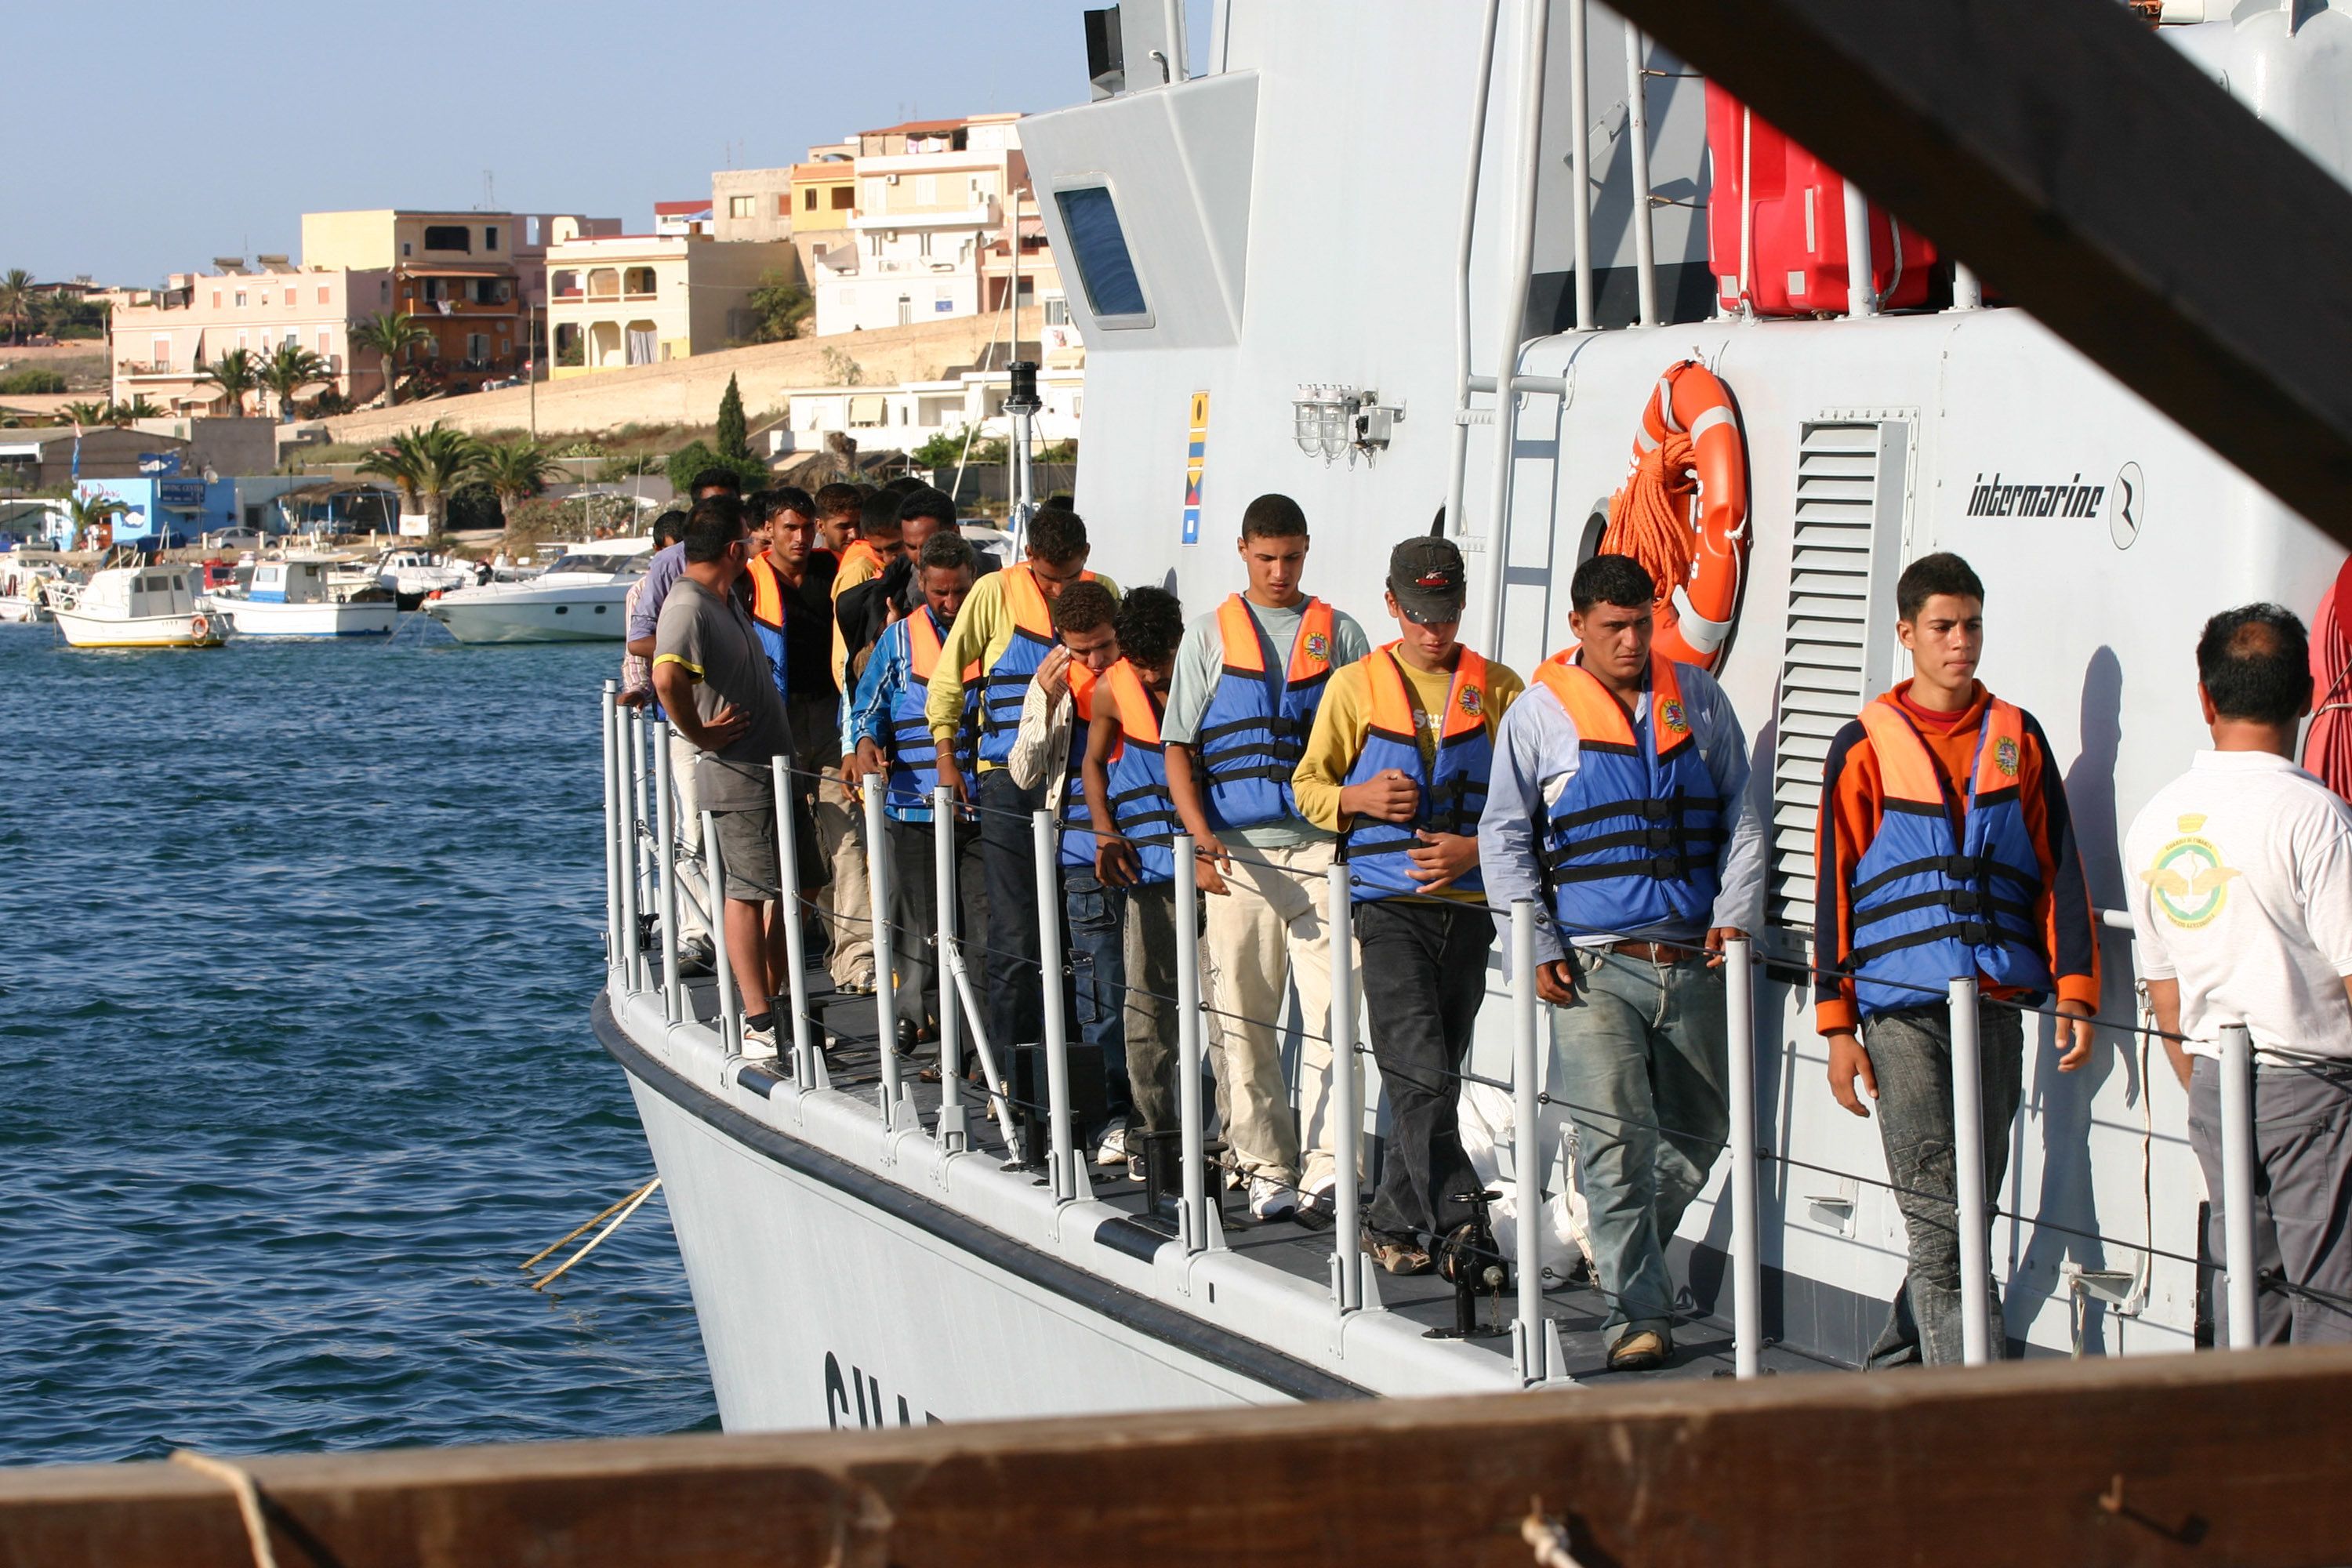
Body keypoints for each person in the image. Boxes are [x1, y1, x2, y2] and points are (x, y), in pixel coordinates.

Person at [1479, 553, 1765, 1370]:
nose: (1633, 640)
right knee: (1613, 1141)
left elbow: (1742, 816)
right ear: (1578, 626)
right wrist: (1533, 943)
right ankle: (1637, 1317)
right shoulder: (1537, 717)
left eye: (1643, 623)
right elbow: (1504, 836)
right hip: (1594, 969)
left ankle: (1614, 1237)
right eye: (1615, 627)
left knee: (1704, 1127)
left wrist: (1735, 915)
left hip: (1694, 958)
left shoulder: (1700, 701)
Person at [1815, 550, 2098, 1368]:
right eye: (1943, 626)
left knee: (1972, 1207)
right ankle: (1974, 1411)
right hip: (1900, 1010)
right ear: (1906, 633)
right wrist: (1838, 1025)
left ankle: (1891, 1371)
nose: (1961, 642)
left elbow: (2062, 870)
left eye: (1972, 625)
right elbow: (1835, 888)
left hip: (1998, 1003)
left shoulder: (2019, 737)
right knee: (1944, 1224)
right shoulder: (1864, 745)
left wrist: (2076, 987)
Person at [1294, 538, 1523, 1273]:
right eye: (1421, 614)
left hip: (1469, 909)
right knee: (1422, 1074)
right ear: (1392, 604)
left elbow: (1529, 808)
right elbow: (1308, 788)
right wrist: (1356, 798)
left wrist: (1474, 852)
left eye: (1448, 613)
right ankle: (1464, 1229)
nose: (1436, 630)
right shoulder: (1355, 686)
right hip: (1389, 909)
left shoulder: (1500, 690)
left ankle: (1390, 1220)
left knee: (1435, 1073)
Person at [2128, 604, 2352, 1345]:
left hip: (2215, 1087)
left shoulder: (2157, 819)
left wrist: (2207, 1087)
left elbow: (2164, 992)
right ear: (2305, 695)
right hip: (2315, 1090)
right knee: (2334, 1304)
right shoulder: (2317, 818)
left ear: (2206, 698)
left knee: (2245, 1298)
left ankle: (2250, 1449)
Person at [1163, 493, 1371, 1221]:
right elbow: (1178, 747)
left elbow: (1369, 742)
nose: (1278, 571)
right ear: (1245, 552)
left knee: (1333, 1020)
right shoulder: (1208, 637)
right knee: (1243, 1023)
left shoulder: (1342, 636)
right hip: (1237, 858)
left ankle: (1329, 1166)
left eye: (1290, 557)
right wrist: (1195, 842)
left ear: (1306, 551)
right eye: (1266, 557)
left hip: (1321, 854)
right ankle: (1263, 1164)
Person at [925, 507, 1119, 1076]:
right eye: (1048, 577)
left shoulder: (1102, 594)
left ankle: (1078, 1066)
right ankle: (1008, 1068)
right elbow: (948, 676)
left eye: (1069, 576)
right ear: (1028, 558)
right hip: (1006, 780)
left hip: (1078, 780)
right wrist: (945, 757)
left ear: (1086, 557)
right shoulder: (992, 592)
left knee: (1076, 928)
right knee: (1015, 930)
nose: (1059, 590)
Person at [652, 497, 794, 1051]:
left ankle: (778, 1007)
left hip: (768, 769)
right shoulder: (687, 604)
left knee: (777, 887)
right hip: (738, 773)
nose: (759, 542)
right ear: (734, 548)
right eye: (751, 537)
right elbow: (667, 680)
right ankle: (758, 1021)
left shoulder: (723, 596)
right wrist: (701, 734)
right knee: (746, 891)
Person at [846, 531, 985, 1045]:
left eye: (960, 592)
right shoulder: (898, 641)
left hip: (980, 814)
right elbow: (868, 709)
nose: (950, 605)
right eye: (940, 593)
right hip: (915, 811)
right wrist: (864, 742)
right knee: (927, 929)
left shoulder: (995, 637)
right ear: (921, 582)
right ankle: (935, 1031)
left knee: (982, 932)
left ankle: (976, 1042)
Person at [1008, 582, 1126, 1160]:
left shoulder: (1146, 674)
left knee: (1151, 994)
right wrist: (1051, 701)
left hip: (1148, 853)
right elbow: (1025, 773)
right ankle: (1110, 1117)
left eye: (1103, 647)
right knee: (1099, 998)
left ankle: (1149, 1113)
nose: (1096, 662)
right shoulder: (1049, 683)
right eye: (1082, 652)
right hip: (1082, 857)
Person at [1083, 586, 1189, 1184]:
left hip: (1212, 871)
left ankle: (1228, 1141)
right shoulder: (1109, 691)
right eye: (1141, 664)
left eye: (1160, 663)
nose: (1150, 676)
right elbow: (1093, 764)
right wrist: (1104, 831)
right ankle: (1157, 1129)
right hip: (1148, 873)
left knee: (1227, 1016)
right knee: (1146, 1005)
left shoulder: (1207, 679)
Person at [742, 488, 866, 988]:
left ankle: (856, 960)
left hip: (833, 718)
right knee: (782, 844)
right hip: (778, 722)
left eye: (807, 527)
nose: (800, 537)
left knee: (849, 834)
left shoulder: (831, 571)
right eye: (790, 528)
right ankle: (776, 965)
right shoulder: (748, 584)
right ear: (768, 529)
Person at [619, 509, 688, 706]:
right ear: (657, 550)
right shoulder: (640, 591)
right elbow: (635, 651)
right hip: (671, 696)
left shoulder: (713, 582)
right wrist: (638, 689)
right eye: (673, 553)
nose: (679, 561)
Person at [812, 482, 863, 559]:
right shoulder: (805, 567)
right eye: (844, 526)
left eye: (858, 525)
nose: (854, 535)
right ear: (820, 526)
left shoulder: (873, 564)